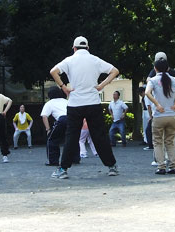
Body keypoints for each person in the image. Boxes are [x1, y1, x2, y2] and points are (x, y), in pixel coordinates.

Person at [49, 36, 120, 179]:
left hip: (75, 103)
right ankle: (111, 166)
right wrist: (102, 85)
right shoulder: (94, 59)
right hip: (93, 102)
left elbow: (53, 71)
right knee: (99, 135)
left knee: (72, 137)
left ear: (74, 48)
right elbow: (115, 71)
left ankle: (63, 169)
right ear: (88, 48)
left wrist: (63, 87)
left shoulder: (69, 60)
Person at [145, 58, 175, 175]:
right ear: (168, 69)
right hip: (172, 115)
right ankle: (173, 166)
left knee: (157, 142)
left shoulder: (153, 80)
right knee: (170, 142)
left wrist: (157, 104)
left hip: (159, 115)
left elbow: (147, 93)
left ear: (155, 69)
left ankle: (161, 167)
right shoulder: (174, 79)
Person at [148, 52, 175, 150]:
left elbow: (147, 84)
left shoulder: (154, 73)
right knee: (171, 136)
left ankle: (161, 161)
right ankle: (174, 156)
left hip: (160, 111)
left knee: (159, 140)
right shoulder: (173, 74)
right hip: (173, 110)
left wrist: (156, 100)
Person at [41, 86, 69, 166]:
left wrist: (48, 129)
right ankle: (74, 158)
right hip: (71, 119)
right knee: (71, 139)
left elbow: (44, 116)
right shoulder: (65, 101)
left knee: (52, 139)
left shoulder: (50, 103)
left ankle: (53, 161)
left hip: (61, 120)